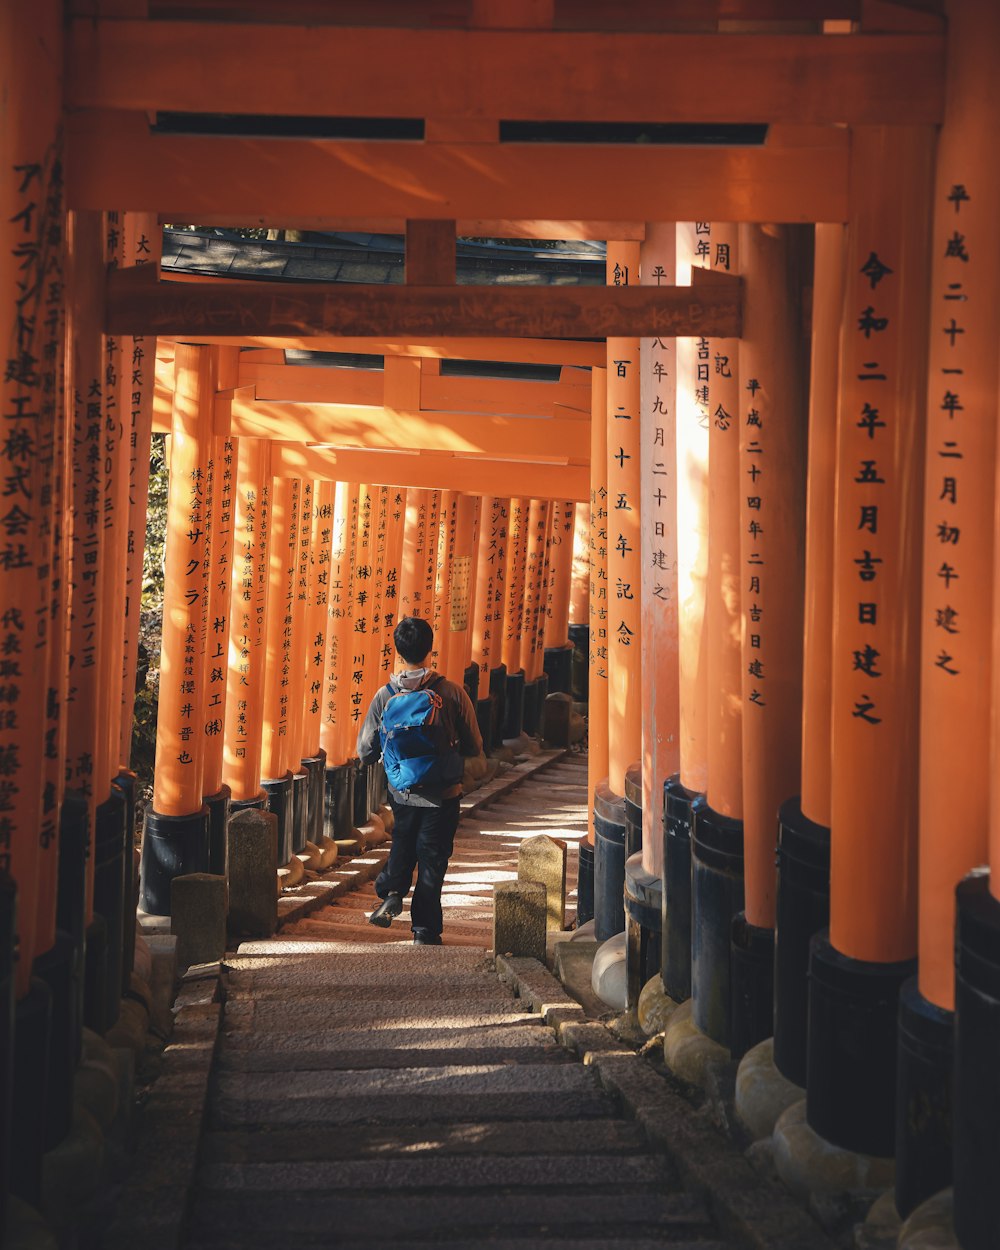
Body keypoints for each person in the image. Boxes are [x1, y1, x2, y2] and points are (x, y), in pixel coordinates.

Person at [356, 615, 483, 945]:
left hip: (402, 791)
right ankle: (424, 931)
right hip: (444, 793)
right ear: (430, 649)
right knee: (433, 857)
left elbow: (365, 751)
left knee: (403, 839)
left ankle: (393, 890)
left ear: (398, 652)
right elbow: (476, 745)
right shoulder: (452, 693)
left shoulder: (385, 696)